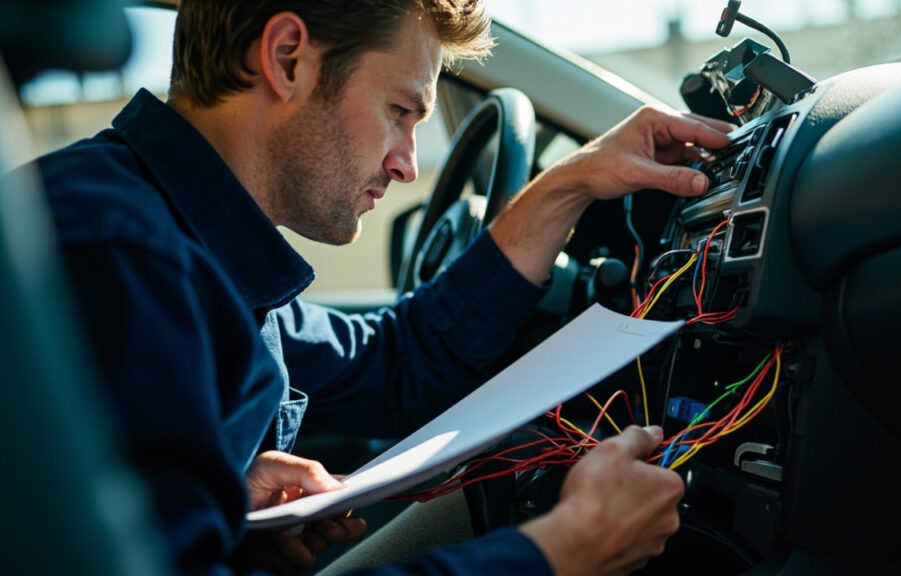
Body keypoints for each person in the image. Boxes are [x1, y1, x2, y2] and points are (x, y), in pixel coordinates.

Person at [30, 0, 732, 574]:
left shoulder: (194, 244)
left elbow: (396, 363)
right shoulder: (120, 255)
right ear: (288, 59)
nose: (405, 165)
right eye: (401, 110)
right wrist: (558, 551)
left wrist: (571, 183)